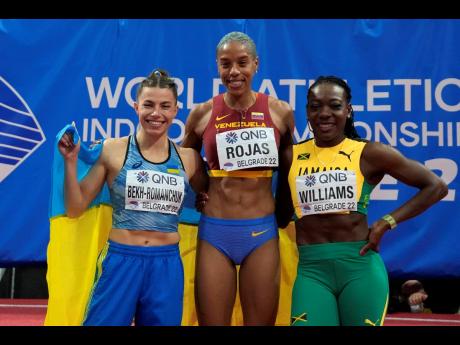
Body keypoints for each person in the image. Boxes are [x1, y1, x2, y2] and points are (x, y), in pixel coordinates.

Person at [275, 75, 448, 326]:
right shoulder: (291, 155)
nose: (324, 113)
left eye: (334, 105)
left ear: (348, 110)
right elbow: (280, 217)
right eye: (315, 106)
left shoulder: (369, 153)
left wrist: (386, 222)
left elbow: (436, 186)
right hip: (311, 271)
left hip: (360, 268)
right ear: (307, 112)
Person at [58, 69, 208, 326]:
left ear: (175, 110)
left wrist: (205, 201)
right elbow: (75, 208)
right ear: (136, 106)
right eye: (148, 105)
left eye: (165, 106)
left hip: (167, 265)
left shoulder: (189, 159)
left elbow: (211, 195)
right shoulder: (113, 150)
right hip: (120, 261)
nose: (155, 113)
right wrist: (70, 163)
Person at [182, 31, 294, 325]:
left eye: (242, 63)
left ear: (256, 64)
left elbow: (290, 164)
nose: (234, 72)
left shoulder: (280, 112)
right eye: (225, 64)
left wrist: (285, 208)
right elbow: (185, 157)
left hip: (261, 231)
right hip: (215, 232)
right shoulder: (202, 113)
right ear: (217, 67)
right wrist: (200, 189)